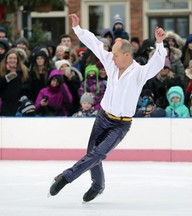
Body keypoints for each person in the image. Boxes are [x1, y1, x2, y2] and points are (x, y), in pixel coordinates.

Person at [49, 13, 166, 202]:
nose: (112, 58)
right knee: (92, 154)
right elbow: (94, 43)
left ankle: (65, 177)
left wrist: (159, 43)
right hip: (103, 117)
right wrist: (78, 29)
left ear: (127, 55)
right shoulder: (111, 64)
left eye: (116, 55)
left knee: (99, 154)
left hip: (121, 124)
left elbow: (158, 63)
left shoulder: (139, 73)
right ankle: (98, 185)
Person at [0, 48, 32, 116]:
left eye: (14, 58)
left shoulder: (23, 71)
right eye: (10, 58)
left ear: (17, 60)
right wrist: (8, 77)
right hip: (4, 105)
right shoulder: (1, 71)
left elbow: (28, 86)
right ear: (6, 60)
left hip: (18, 105)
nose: (12, 60)